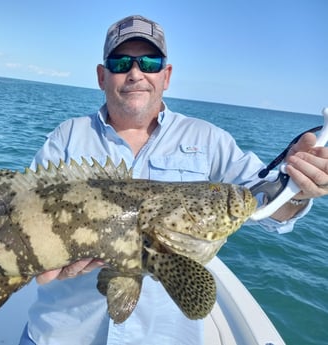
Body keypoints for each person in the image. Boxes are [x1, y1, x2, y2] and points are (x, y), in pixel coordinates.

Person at [19, 15, 328, 345]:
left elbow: (266, 204)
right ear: (101, 75)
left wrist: (298, 187)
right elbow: (25, 219)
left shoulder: (209, 139)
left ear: (166, 76)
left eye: (150, 62)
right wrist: (42, 263)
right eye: (121, 62)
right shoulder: (67, 136)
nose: (136, 72)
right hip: (61, 335)